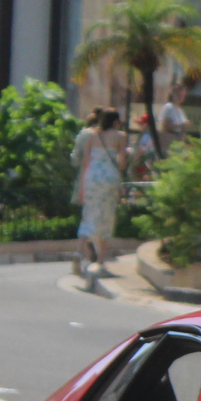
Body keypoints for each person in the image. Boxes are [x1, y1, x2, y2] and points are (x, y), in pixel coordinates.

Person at [74, 106, 129, 284]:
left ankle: (78, 252)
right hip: (110, 178)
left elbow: (85, 161)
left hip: (92, 177)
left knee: (88, 214)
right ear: (115, 121)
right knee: (106, 217)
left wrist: (82, 187)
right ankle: (101, 261)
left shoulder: (92, 135)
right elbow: (121, 164)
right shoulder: (121, 136)